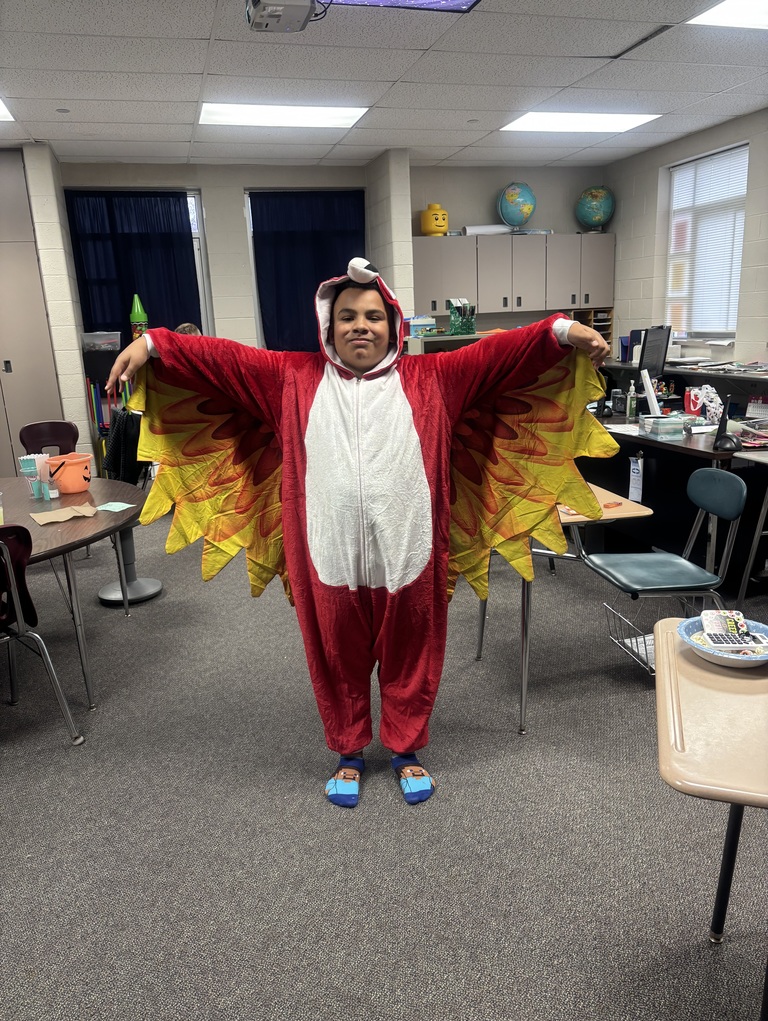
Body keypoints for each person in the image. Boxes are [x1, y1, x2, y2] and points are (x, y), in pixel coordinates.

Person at [107, 258, 613, 809]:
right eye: (347, 316)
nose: (360, 326)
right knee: (335, 653)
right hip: (326, 551)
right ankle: (348, 751)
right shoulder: (289, 378)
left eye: (373, 316)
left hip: (409, 549)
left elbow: (502, 353)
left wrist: (561, 331)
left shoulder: (435, 379)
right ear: (329, 325)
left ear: (392, 325)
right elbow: (222, 359)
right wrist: (154, 344)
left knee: (412, 650)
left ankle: (405, 748)